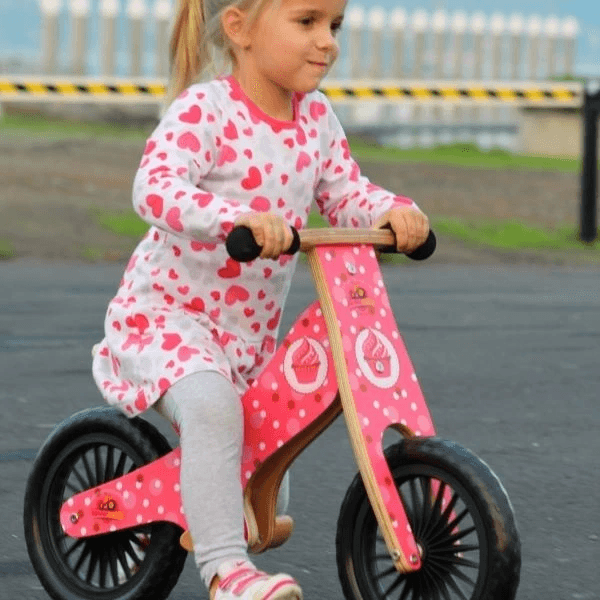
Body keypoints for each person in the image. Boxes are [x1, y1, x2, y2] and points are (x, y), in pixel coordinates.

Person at [92, 0, 429, 597]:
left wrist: (391, 212)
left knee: (271, 423)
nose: (327, 42)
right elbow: (156, 186)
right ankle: (225, 572)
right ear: (240, 27)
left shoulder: (317, 119)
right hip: (167, 319)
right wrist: (233, 218)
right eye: (307, 22)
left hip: (245, 337)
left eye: (335, 25)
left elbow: (345, 190)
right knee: (216, 410)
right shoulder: (207, 110)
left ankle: (227, 510)